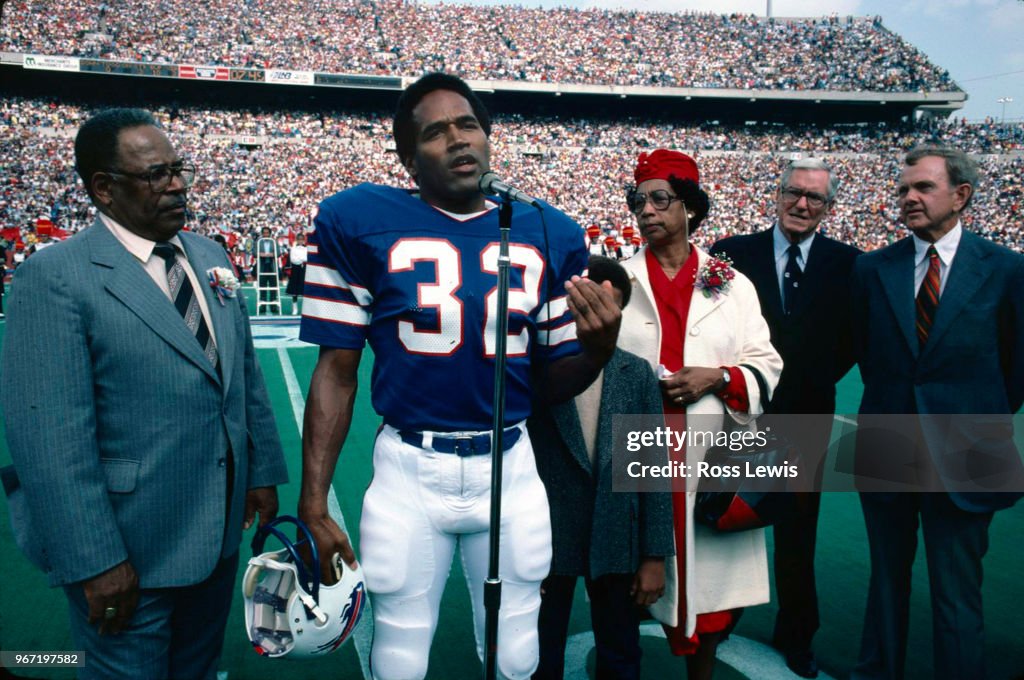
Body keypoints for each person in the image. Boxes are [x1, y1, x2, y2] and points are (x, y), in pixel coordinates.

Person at [296, 72, 620, 680]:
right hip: (408, 467)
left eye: (467, 124)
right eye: (436, 132)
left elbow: (548, 381)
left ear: (489, 137)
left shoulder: (549, 230)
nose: (458, 139)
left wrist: (598, 351)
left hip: (511, 463)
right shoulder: (357, 219)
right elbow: (336, 372)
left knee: (518, 651)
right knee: (398, 651)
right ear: (408, 158)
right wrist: (313, 501)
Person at [0, 108, 288, 680]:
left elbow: (245, 376)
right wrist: (96, 559)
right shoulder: (55, 277)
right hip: (131, 546)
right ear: (103, 189)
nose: (176, 184)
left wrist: (261, 472)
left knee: (195, 669)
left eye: (178, 169)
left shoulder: (208, 256)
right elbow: (49, 439)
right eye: (156, 175)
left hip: (217, 530)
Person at [850, 145, 1024, 679]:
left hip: (970, 451)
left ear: (961, 196)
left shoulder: (1006, 269)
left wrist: (968, 417)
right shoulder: (873, 268)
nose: (908, 197)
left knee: (957, 595)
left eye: (923, 187)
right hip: (888, 448)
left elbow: (1015, 367)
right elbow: (866, 351)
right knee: (885, 585)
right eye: (903, 188)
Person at [616, 149, 782, 680]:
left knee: (710, 598)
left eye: (659, 199)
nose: (645, 211)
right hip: (639, 455)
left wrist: (718, 376)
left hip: (712, 457)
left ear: (690, 207)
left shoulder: (731, 283)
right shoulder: (617, 282)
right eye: (637, 200)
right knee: (626, 588)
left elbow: (765, 361)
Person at [710, 158, 861, 678]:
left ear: (829, 207)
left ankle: (797, 635)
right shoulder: (732, 252)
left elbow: (850, 342)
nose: (801, 204)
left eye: (814, 198)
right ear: (775, 195)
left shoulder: (849, 263)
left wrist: (808, 380)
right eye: (793, 193)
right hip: (740, 415)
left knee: (799, 533)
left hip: (806, 418)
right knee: (725, 520)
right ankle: (719, 617)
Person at [529, 255, 674, 680]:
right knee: (538, 651)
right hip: (545, 538)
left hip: (616, 535)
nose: (594, 313)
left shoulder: (636, 373)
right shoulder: (538, 367)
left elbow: (652, 466)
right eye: (585, 300)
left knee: (621, 652)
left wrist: (654, 556)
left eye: (606, 304)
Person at [286, 231, 308, 314]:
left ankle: (305, 309)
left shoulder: (306, 249)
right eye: (299, 239)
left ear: (304, 240)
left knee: (304, 290)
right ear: (296, 240)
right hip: (295, 270)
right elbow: (293, 260)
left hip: (304, 270)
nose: (300, 241)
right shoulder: (293, 249)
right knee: (294, 290)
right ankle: (295, 308)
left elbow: (307, 258)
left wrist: (300, 258)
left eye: (302, 239)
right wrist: (301, 259)